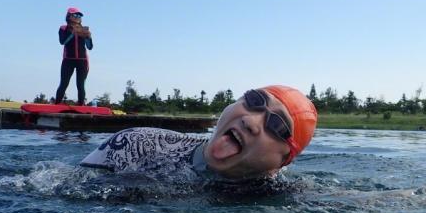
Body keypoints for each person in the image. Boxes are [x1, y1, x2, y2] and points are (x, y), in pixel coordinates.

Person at [81, 85, 318, 180]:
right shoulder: (136, 145)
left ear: (282, 162)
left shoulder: (277, 201)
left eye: (276, 126)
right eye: (254, 100)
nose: (251, 121)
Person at [55, 7, 93, 105]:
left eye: (79, 15)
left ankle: (81, 105)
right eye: (75, 15)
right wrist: (72, 33)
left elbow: (90, 47)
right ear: (69, 16)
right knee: (63, 83)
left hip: (82, 60)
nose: (77, 17)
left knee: (80, 85)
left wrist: (88, 38)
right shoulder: (63, 28)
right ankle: (57, 104)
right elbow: (63, 41)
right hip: (68, 60)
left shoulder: (84, 30)